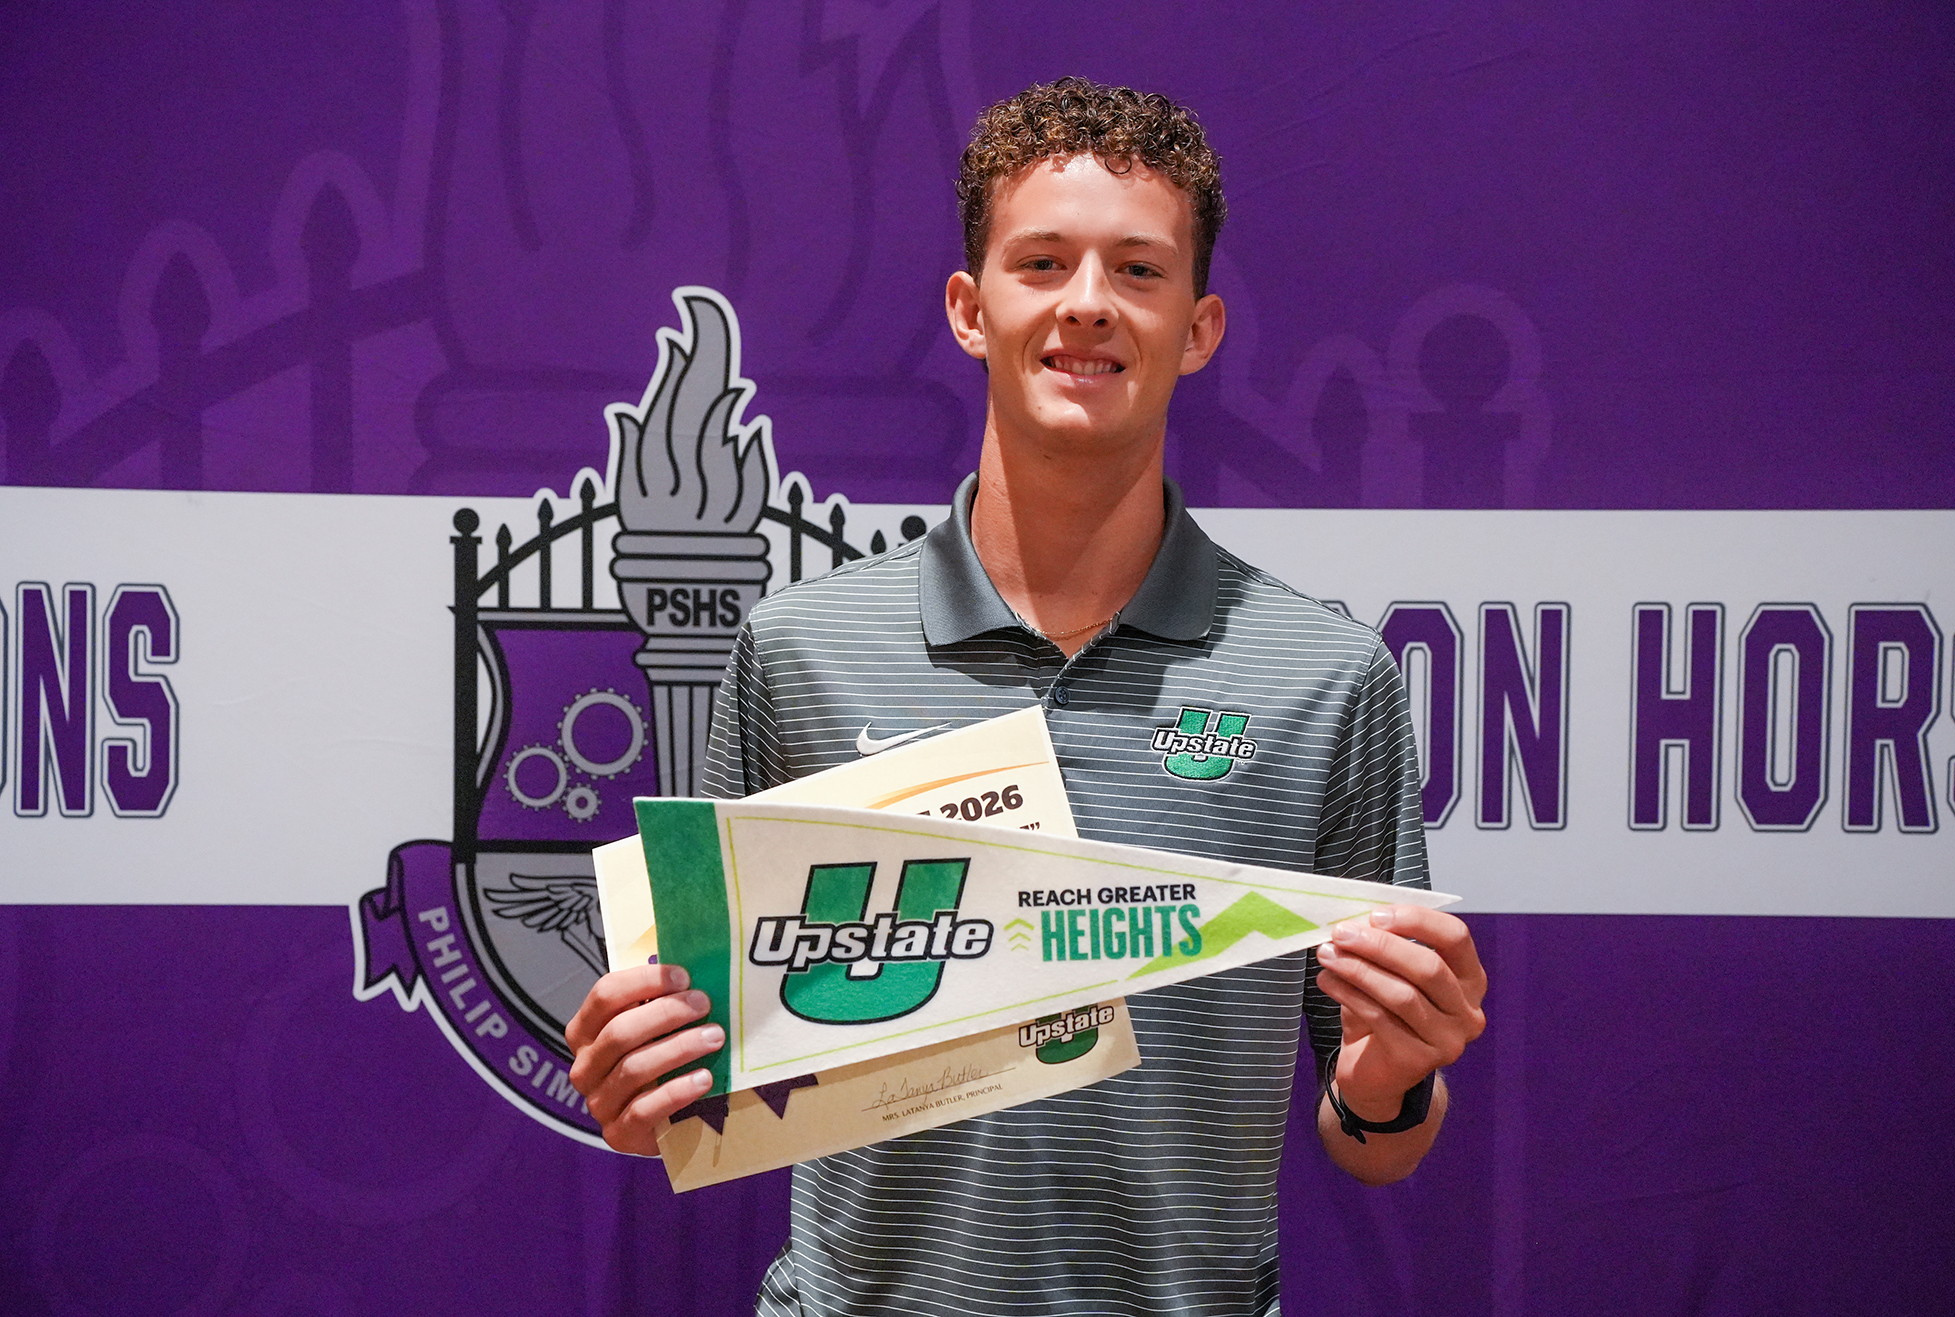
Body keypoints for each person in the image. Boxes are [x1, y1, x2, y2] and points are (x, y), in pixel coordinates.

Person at [567, 76, 1488, 1315]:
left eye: (1140, 271)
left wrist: (1390, 1088)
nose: (1088, 305)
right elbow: (705, 1093)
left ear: (1202, 326)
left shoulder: (1322, 681)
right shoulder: (798, 649)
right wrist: (645, 1094)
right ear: (969, 307)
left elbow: (1373, 1140)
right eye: (1042, 262)